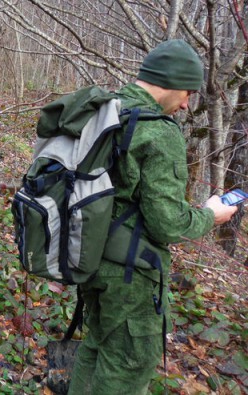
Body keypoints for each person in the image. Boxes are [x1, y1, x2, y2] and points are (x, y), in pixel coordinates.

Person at [67, 39, 238, 394]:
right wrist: (210, 215)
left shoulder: (107, 109)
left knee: (96, 346)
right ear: (170, 82)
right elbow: (167, 223)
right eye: (188, 93)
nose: (188, 103)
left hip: (88, 256)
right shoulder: (158, 131)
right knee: (129, 366)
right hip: (132, 272)